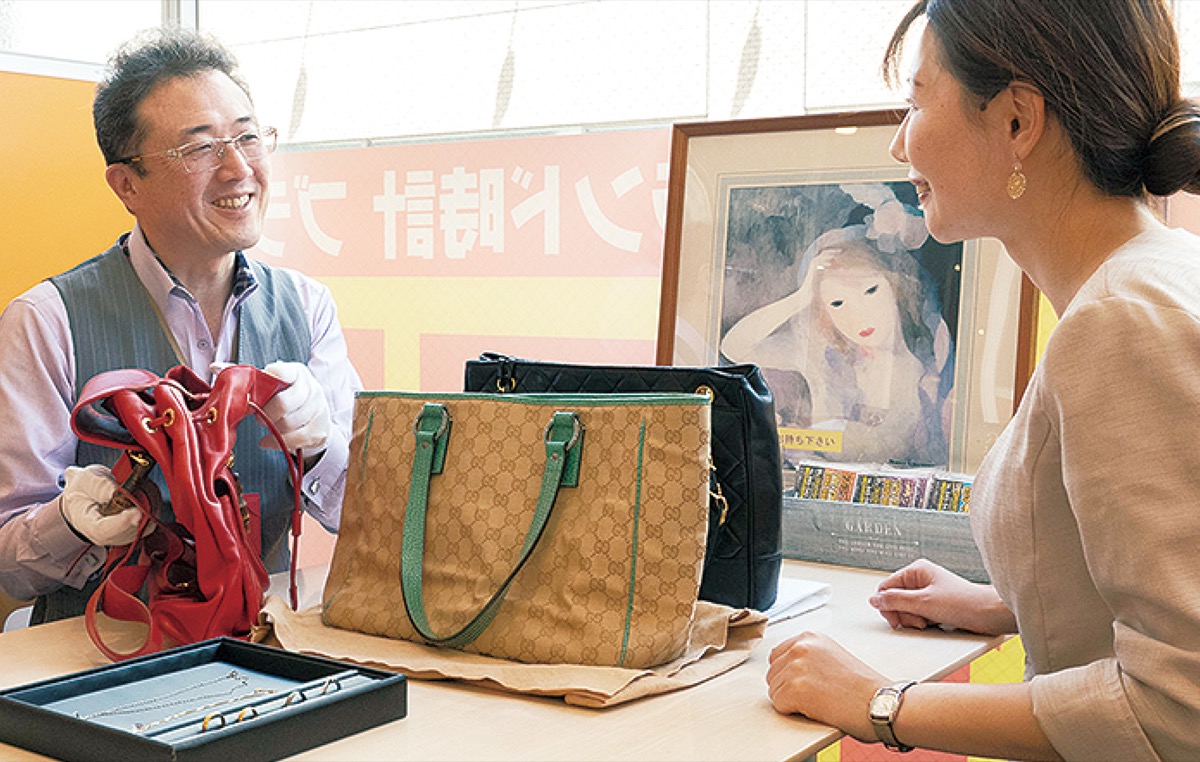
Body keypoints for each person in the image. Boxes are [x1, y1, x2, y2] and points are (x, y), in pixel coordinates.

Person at [765, 0, 1200, 759]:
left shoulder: (1120, 322)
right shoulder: (1159, 275)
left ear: (1016, 121)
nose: (899, 142)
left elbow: (1177, 706)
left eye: (916, 101)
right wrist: (1009, 603)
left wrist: (880, 703)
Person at [0, 27, 362, 625]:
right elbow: (9, 566)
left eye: (248, 137)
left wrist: (322, 447)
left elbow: (369, 520)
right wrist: (67, 524)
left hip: (261, 642)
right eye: (200, 149)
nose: (239, 168)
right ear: (127, 184)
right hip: (103, 651)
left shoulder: (307, 305)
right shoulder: (46, 321)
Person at [722, 186, 953, 467]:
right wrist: (801, 297)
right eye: (837, 303)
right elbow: (734, 348)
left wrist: (811, 435)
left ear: (895, 290)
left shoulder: (928, 359)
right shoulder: (819, 354)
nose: (859, 315)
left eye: (870, 290)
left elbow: (897, 445)